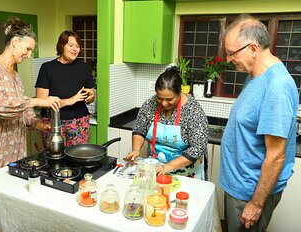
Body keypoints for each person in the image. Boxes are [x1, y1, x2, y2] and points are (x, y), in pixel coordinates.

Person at [0, 17, 62, 211]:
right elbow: (1, 107)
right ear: (14, 43)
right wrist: (39, 100)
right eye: (27, 49)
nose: (29, 55)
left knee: (11, 188)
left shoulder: (16, 75)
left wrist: (36, 123)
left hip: (14, 140)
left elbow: (21, 106)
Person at [220, 14, 299, 232]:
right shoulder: (255, 75)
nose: (228, 59)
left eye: (231, 53)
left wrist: (255, 204)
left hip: (249, 193)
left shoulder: (277, 87)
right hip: (239, 185)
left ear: (253, 49)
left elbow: (276, 156)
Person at [126, 66, 208, 179]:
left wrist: (168, 166)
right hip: (156, 170)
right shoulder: (150, 104)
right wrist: (136, 150)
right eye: (159, 98)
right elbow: (139, 130)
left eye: (169, 99)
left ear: (179, 93)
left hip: (187, 174)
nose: (164, 103)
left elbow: (197, 148)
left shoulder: (193, 111)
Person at [35, 30, 95, 147]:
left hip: (79, 122)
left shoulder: (84, 67)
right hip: (53, 122)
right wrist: (70, 100)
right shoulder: (47, 68)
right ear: (61, 46)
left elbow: (90, 95)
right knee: (55, 158)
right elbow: (41, 101)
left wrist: (91, 96)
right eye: (71, 45)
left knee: (78, 157)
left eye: (77, 46)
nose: (75, 49)